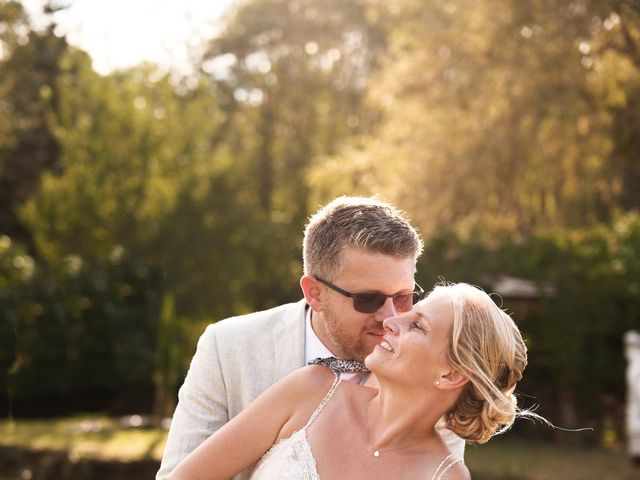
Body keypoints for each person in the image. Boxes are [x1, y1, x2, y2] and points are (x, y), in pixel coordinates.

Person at [157, 196, 465, 480]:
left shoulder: (431, 380)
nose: (391, 317)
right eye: (368, 299)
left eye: (403, 297)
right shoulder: (228, 347)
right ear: (314, 293)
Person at [167, 282, 528, 480]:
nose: (391, 321)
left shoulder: (443, 477)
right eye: (410, 313)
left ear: (451, 374)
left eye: (417, 325)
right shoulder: (310, 391)